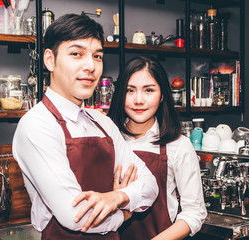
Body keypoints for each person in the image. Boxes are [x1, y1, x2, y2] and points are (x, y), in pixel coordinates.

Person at [12, 14, 159, 240]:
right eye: (76, 54)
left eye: (97, 56)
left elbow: (150, 184)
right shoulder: (36, 125)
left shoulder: (101, 122)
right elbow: (75, 215)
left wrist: (116, 198)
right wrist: (126, 213)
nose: (90, 66)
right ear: (50, 60)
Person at [108, 55, 207, 240]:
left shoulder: (178, 146)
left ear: (162, 95)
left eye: (149, 90)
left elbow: (195, 212)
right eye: (130, 90)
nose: (139, 100)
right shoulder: (108, 141)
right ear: (120, 93)